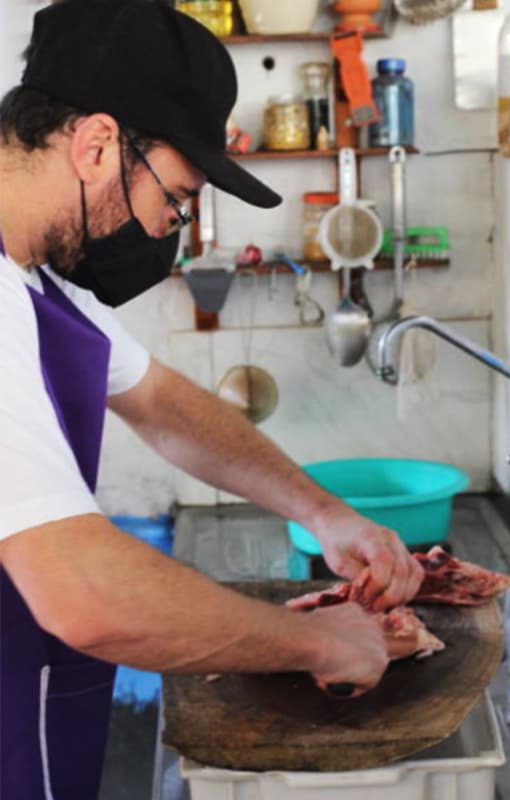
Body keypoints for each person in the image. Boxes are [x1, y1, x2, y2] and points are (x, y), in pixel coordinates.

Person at [0, 1, 424, 798]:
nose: (174, 229)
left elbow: (161, 403)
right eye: (179, 196)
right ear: (95, 145)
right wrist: (320, 645)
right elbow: (83, 591)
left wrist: (322, 512)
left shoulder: (41, 277)